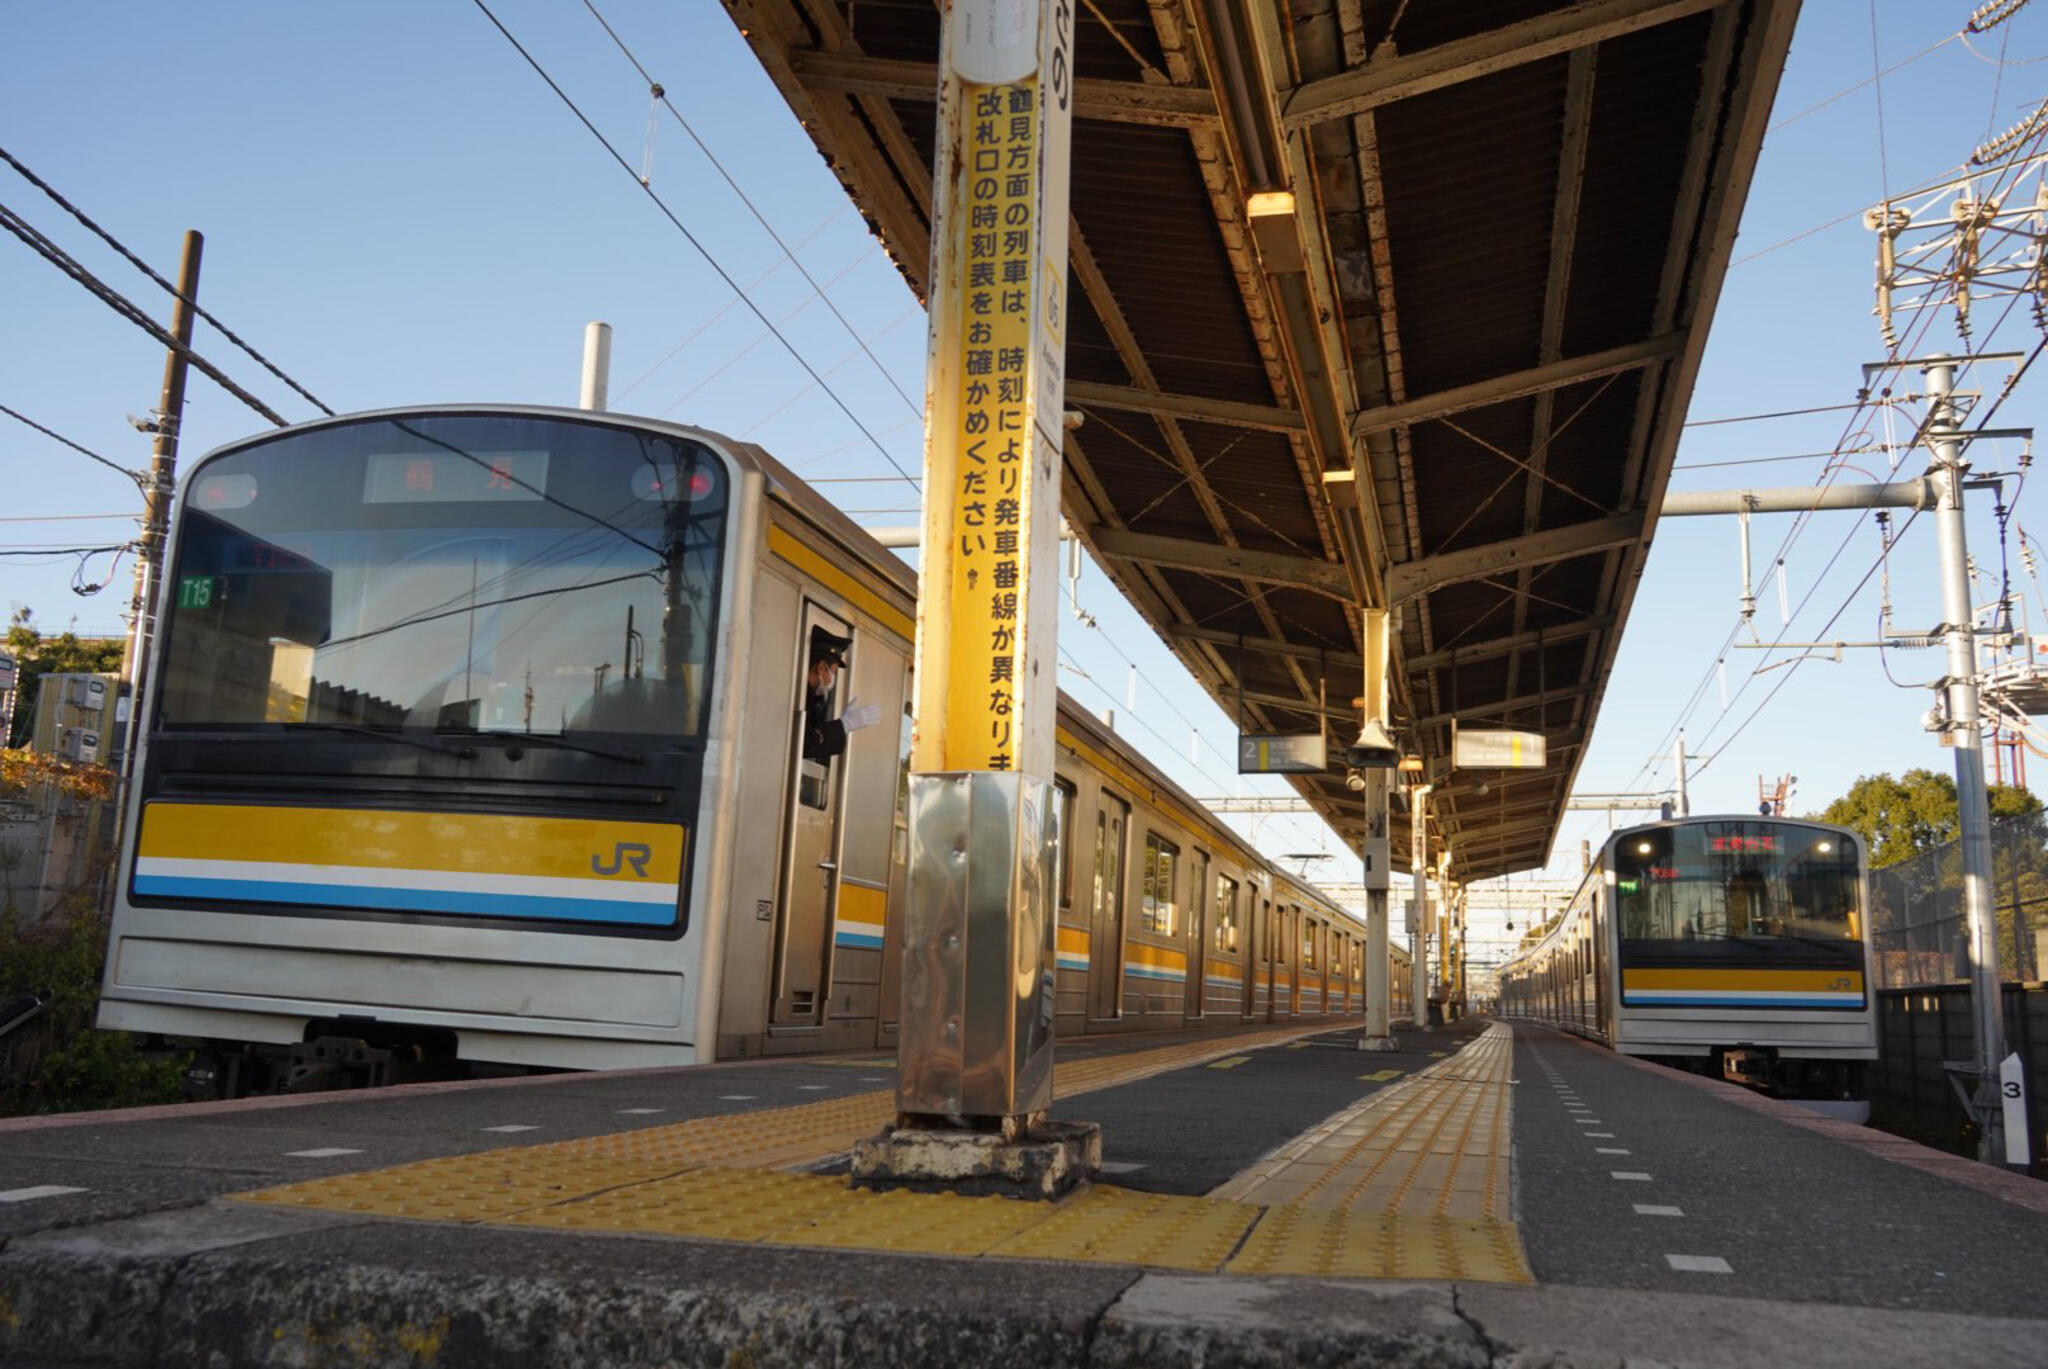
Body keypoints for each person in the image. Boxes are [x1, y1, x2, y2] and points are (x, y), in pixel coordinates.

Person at [802, 629, 879, 761]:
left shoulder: (810, 698)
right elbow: (804, 742)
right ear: (821, 667)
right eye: (834, 672)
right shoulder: (798, 697)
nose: (834, 678)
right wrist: (843, 725)